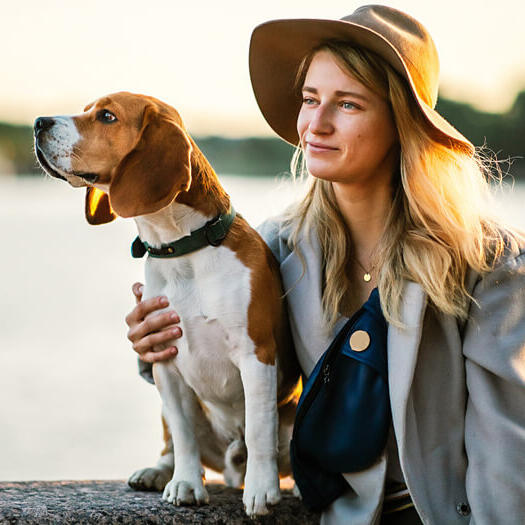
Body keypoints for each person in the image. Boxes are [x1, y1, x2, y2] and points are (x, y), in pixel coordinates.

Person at [125, 5, 525, 524]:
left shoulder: (489, 263)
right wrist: (158, 341)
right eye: (310, 99)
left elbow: (505, 456)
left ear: (401, 122)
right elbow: (247, 379)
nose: (317, 123)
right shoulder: (273, 249)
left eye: (349, 104)